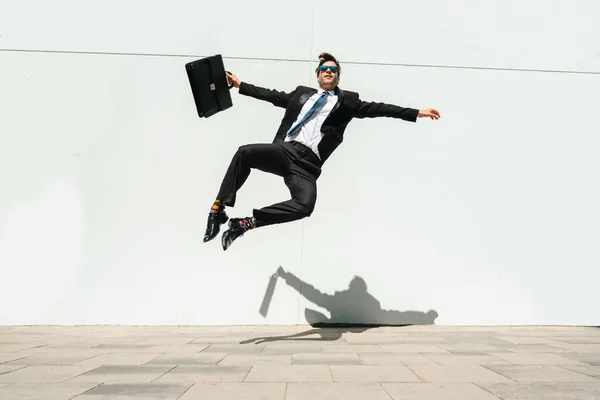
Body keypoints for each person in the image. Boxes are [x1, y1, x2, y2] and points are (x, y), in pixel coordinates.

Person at [204, 52, 441, 250]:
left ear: (338, 77)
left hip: (307, 166)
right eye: (324, 68)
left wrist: (416, 112)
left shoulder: (348, 102)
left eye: (333, 70)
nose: (329, 71)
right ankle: (218, 208)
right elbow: (273, 96)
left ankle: (244, 224)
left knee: (305, 205)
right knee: (245, 152)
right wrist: (240, 85)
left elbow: (380, 108)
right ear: (318, 75)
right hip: (285, 150)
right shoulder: (301, 94)